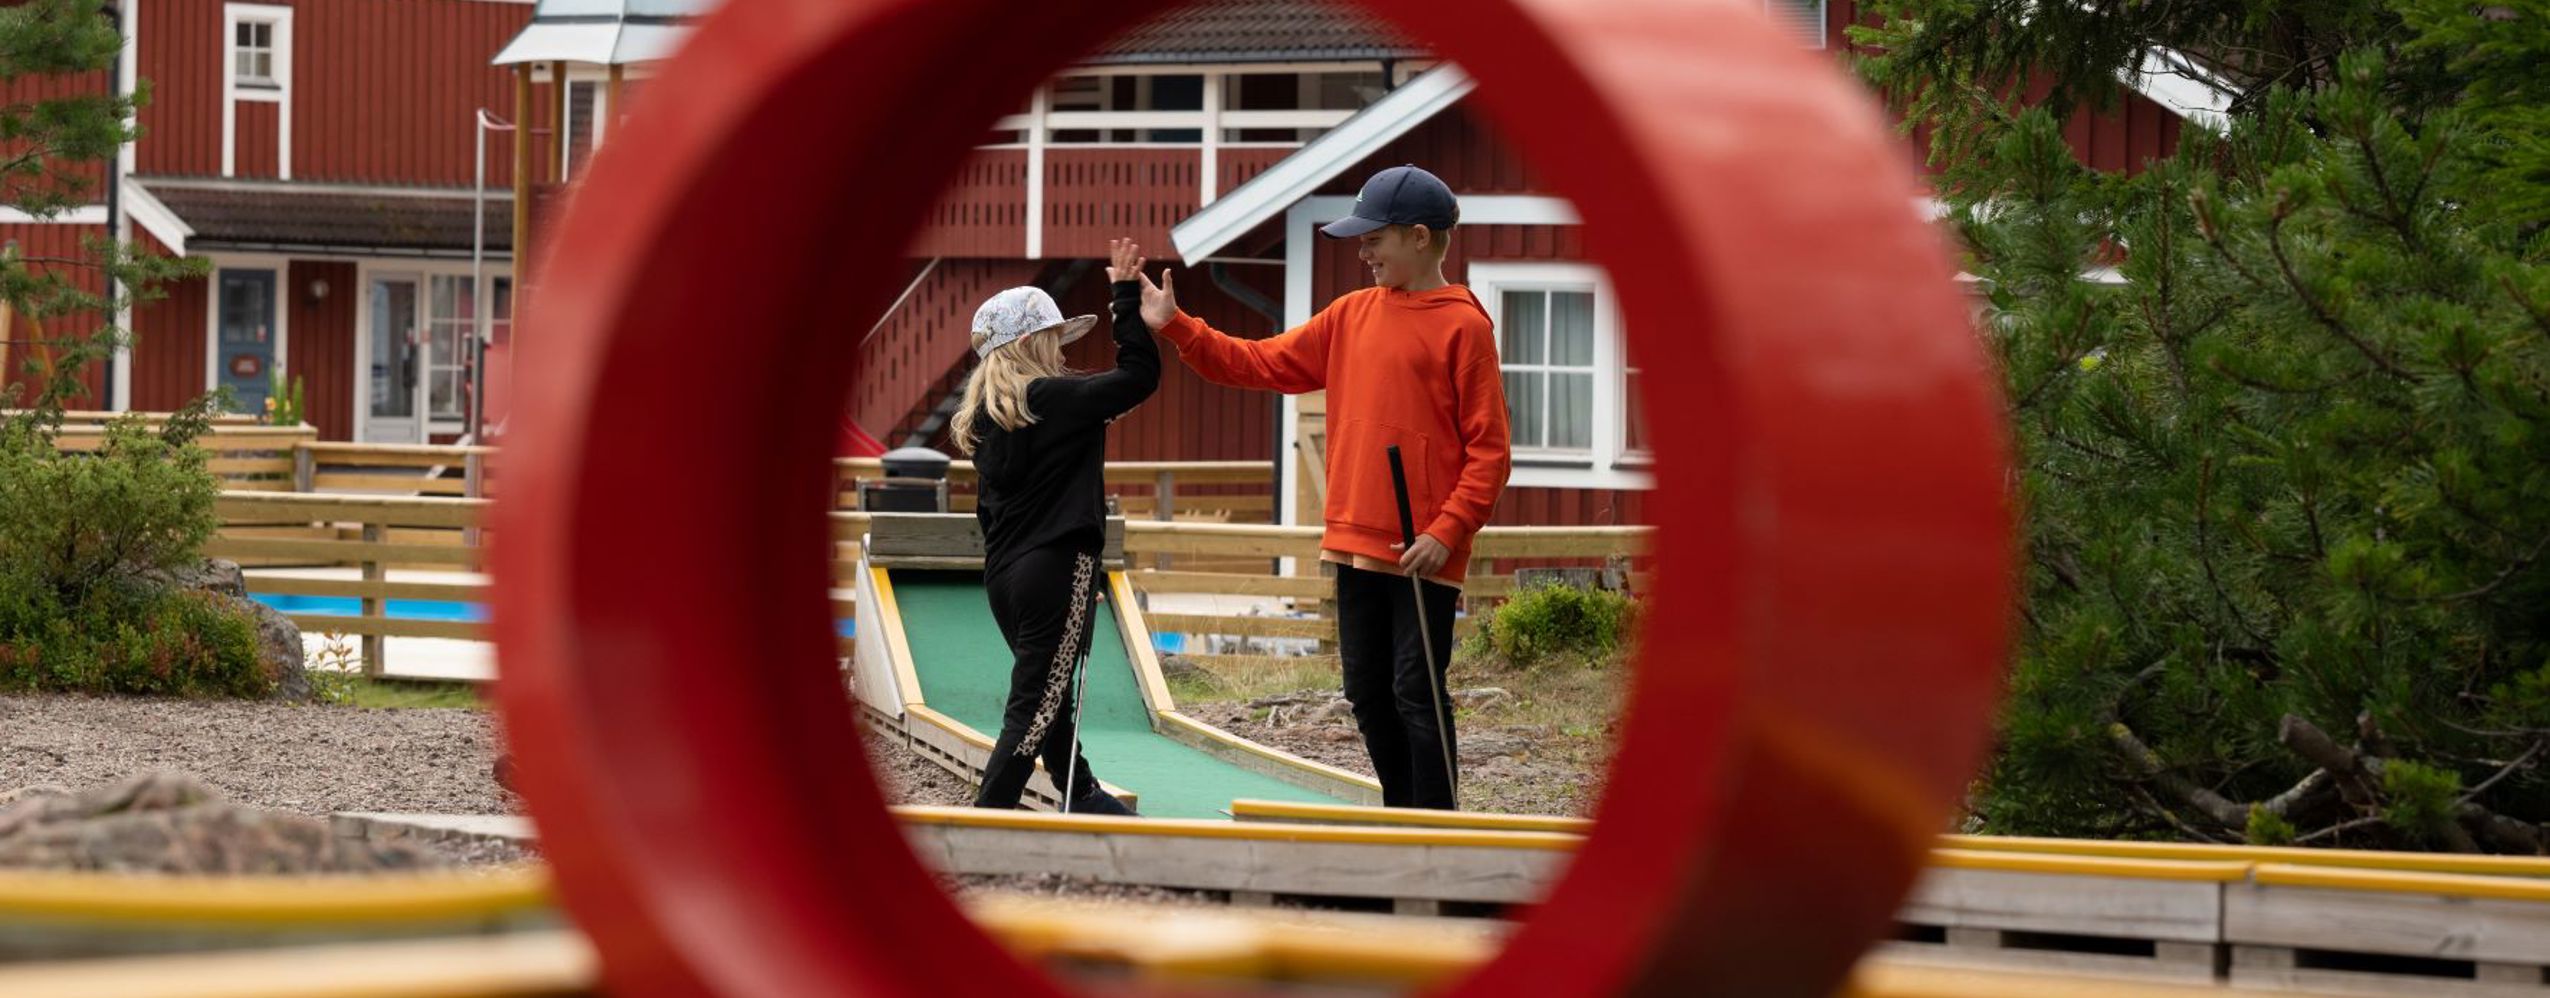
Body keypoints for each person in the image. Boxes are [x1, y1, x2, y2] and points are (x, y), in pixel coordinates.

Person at [1126, 165, 1511, 809]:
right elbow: (1259, 362)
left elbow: (1490, 451)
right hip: (1352, 536)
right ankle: (1401, 812)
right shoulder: (1349, 315)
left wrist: (1447, 532)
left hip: (1422, 550)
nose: (1361, 253)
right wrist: (1177, 326)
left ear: (1419, 238)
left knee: (1416, 689)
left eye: (1372, 240)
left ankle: (1440, 825)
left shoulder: (1463, 327)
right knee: (1365, 690)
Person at [956, 238, 1159, 814]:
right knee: (1037, 706)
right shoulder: (1052, 398)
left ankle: (1082, 793)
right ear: (1032, 344)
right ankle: (989, 818)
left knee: (1050, 700)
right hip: (1056, 566)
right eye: (1053, 338)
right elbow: (1139, 376)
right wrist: (1124, 298)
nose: (1061, 350)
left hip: (1004, 577)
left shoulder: (986, 420)